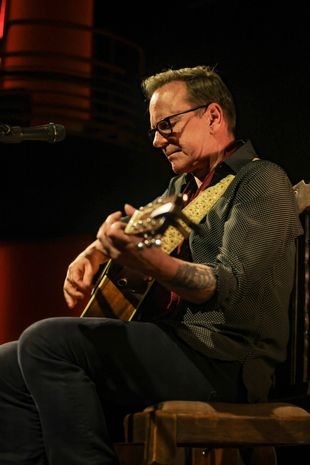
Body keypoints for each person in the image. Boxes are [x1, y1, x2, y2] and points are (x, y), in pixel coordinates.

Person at [0, 65, 303, 465]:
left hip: (226, 359)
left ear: (212, 115)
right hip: (176, 344)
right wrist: (94, 251)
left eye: (167, 125)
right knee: (6, 364)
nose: (158, 141)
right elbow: (131, 226)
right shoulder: (183, 190)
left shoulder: (260, 180)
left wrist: (155, 264)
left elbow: (232, 289)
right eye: (154, 131)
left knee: (47, 341)